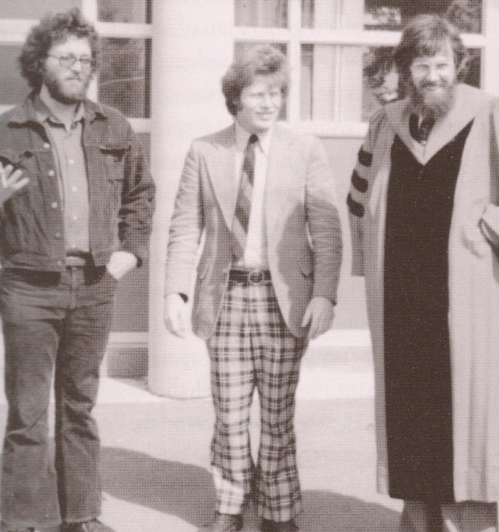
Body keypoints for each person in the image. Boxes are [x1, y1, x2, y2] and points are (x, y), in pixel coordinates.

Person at [347, 14, 499, 532]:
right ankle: (419, 523)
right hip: (400, 308)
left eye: (441, 64)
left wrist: (494, 222)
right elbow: (359, 200)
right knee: (411, 420)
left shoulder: (494, 115)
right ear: (405, 70)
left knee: (469, 429)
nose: (432, 75)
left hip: (468, 306)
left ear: (459, 65)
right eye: (421, 65)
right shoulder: (384, 124)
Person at [0, 9, 155, 532]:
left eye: (85, 59)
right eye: (66, 57)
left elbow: (141, 194)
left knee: (79, 406)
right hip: (28, 287)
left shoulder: (114, 126)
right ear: (39, 63)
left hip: (94, 285)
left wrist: (131, 252)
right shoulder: (4, 130)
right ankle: (25, 520)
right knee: (28, 412)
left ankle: (81, 516)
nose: (77, 67)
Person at [164, 45, 342, 532]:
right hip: (225, 298)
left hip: (284, 301)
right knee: (229, 413)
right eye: (258, 94)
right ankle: (229, 502)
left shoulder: (305, 149)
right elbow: (185, 226)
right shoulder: (205, 150)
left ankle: (278, 510)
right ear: (235, 98)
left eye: (276, 93)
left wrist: (324, 294)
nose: (268, 103)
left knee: (278, 414)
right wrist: (175, 291)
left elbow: (327, 229)